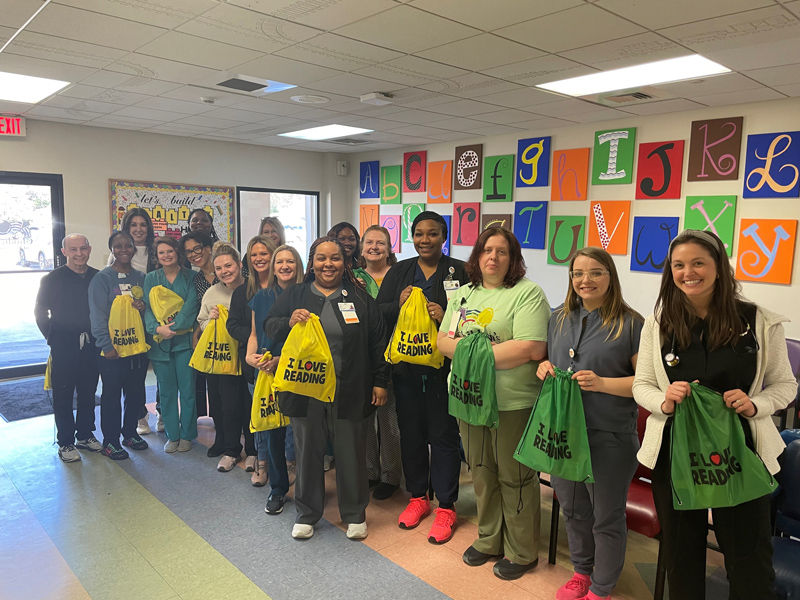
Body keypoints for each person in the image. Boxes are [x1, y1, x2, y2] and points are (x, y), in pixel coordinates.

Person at [632, 229, 797, 600]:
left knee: (749, 559)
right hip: (675, 452)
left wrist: (757, 405)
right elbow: (641, 384)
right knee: (681, 554)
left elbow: (786, 386)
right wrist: (664, 399)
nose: (688, 272)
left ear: (719, 267)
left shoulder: (759, 322)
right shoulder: (659, 324)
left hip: (740, 453)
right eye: (679, 265)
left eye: (698, 263)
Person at [437, 227, 549, 579]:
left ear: (513, 258)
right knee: (481, 473)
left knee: (515, 476)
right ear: (477, 255)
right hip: (467, 399)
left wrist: (469, 351)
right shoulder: (463, 295)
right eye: (487, 250)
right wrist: (485, 354)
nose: (493, 257)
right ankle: (489, 539)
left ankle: (522, 550)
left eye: (502, 252)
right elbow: (442, 341)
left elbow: (530, 348)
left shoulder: (527, 294)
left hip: (511, 403)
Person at [265, 237, 389, 540]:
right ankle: (307, 513)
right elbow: (270, 323)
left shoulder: (359, 299)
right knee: (308, 452)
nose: (328, 264)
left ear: (344, 263)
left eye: (335, 258)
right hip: (305, 389)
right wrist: (288, 321)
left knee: (351, 453)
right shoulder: (294, 294)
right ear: (312, 263)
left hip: (350, 389)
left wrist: (380, 382)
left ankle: (355, 513)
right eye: (321, 258)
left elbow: (378, 342)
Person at [537, 247, 643, 599]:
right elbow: (545, 364)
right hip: (564, 433)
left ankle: (602, 586)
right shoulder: (558, 318)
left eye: (596, 272)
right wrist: (543, 368)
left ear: (610, 277)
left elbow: (646, 385)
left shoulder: (631, 324)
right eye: (578, 273)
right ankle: (582, 571)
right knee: (572, 508)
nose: (586, 280)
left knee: (606, 516)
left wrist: (602, 384)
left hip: (609, 435)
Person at [376, 210, 469, 544]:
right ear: (411, 237)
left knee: (444, 437)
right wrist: (397, 306)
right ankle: (418, 498)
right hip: (406, 371)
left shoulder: (460, 271)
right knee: (411, 434)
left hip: (444, 371)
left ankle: (446, 505)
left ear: (444, 237)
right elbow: (378, 313)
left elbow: (471, 318)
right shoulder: (399, 271)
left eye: (432, 234)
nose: (425, 240)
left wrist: (445, 316)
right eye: (419, 234)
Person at [245, 244, 304, 514]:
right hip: (267, 370)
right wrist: (250, 355)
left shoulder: (309, 294)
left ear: (298, 264)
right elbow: (255, 333)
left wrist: (283, 360)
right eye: (279, 261)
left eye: (290, 261)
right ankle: (278, 489)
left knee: (303, 433)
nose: (284, 266)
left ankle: (306, 490)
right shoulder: (262, 297)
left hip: (300, 371)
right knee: (273, 432)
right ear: (272, 266)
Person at [35, 234, 102, 462]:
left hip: (91, 343)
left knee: (88, 391)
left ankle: (85, 434)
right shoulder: (52, 279)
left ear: (90, 249)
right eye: (73, 249)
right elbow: (40, 311)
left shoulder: (97, 277)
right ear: (64, 252)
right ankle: (65, 441)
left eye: (83, 248)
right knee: (63, 393)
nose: (79, 253)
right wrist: (51, 337)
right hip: (63, 343)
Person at [89, 232, 150, 460]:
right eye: (118, 246)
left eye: (128, 246)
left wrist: (142, 307)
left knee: (135, 393)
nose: (124, 249)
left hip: (136, 349)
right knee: (112, 395)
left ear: (134, 249)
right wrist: (106, 345)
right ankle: (111, 441)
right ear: (112, 250)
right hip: (112, 351)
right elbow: (97, 316)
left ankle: (129, 433)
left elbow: (149, 311)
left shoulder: (140, 278)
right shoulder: (102, 279)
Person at [198, 242, 256, 472]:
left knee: (250, 405)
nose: (224, 271)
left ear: (239, 265)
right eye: (219, 268)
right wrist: (210, 320)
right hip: (224, 360)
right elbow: (201, 324)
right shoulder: (212, 293)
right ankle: (231, 450)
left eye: (229, 266)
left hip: (250, 357)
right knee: (229, 406)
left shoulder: (253, 288)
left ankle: (252, 451)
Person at [226, 234, 277, 485]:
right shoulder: (241, 292)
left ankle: (287, 464)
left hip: (281, 363)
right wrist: (255, 342)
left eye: (264, 253)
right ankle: (262, 462)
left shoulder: (285, 287)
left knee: (284, 420)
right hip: (254, 363)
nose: (259, 258)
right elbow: (233, 325)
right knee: (261, 417)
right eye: (254, 254)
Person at [357, 225, 401, 500]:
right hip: (360, 357)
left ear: (389, 248)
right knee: (365, 420)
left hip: (392, 356)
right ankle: (369, 471)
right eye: (369, 242)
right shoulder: (352, 277)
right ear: (362, 248)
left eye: (380, 243)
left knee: (389, 420)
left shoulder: (398, 276)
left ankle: (392, 476)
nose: (374, 247)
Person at [143, 236, 199, 453]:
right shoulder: (151, 278)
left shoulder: (192, 277)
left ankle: (187, 435)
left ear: (178, 253)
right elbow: (147, 307)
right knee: (166, 391)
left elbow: (192, 305)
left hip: (185, 341)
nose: (166, 256)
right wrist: (157, 329)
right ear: (156, 257)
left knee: (187, 389)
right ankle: (172, 435)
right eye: (161, 253)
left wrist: (173, 328)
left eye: (170, 251)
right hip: (160, 342)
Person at [108, 208, 159, 435]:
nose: (138, 229)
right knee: (135, 375)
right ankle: (140, 416)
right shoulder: (117, 254)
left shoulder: (157, 251)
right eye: (133, 225)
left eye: (143, 225)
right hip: (130, 324)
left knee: (159, 369)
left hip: (155, 319)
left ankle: (163, 412)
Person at [182, 230, 220, 452]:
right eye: (188, 252)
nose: (194, 255)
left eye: (197, 248)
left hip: (233, 336)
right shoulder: (196, 278)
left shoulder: (227, 269)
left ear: (208, 248)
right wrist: (197, 332)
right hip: (210, 338)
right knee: (212, 387)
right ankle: (220, 436)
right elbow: (202, 311)